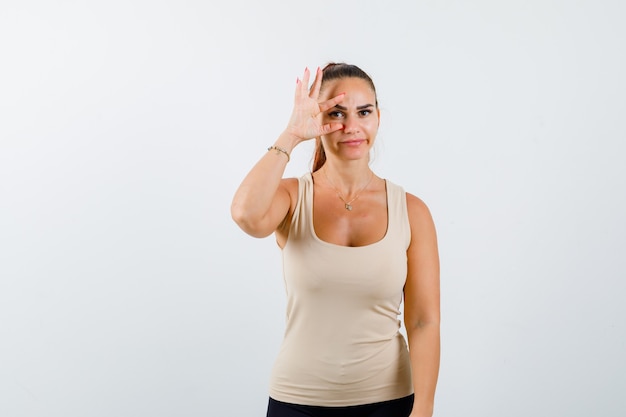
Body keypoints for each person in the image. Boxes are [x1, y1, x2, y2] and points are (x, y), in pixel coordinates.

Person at [231, 63, 440, 417]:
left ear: (378, 117)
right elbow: (246, 216)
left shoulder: (411, 210)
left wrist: (424, 410)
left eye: (364, 111)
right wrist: (292, 134)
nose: (352, 126)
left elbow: (423, 320)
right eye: (337, 112)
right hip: (297, 401)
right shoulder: (292, 197)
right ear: (319, 118)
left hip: (389, 401)